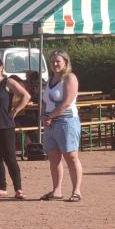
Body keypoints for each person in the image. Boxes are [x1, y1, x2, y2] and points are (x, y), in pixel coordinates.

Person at [0, 56, 33, 199]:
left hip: (5, 125)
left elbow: (26, 96)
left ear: (1, 68)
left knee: (10, 157)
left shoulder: (8, 82)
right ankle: (2, 187)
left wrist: (15, 110)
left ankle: (18, 189)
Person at [39, 50, 83, 202]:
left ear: (65, 62)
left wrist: (49, 116)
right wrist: (43, 115)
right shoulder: (50, 80)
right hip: (51, 123)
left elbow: (66, 103)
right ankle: (56, 190)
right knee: (53, 157)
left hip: (66, 122)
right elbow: (46, 101)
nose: (55, 64)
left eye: (58, 61)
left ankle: (76, 190)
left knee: (71, 156)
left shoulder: (70, 78)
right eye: (52, 62)